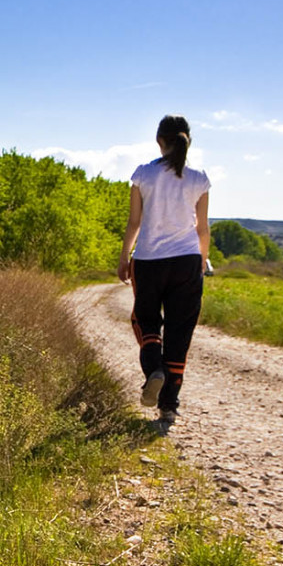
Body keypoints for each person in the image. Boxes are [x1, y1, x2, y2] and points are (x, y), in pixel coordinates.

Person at [116, 114, 210, 424]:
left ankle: (153, 369)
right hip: (186, 261)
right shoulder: (199, 179)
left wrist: (123, 257)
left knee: (146, 321)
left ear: (160, 141)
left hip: (148, 261)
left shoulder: (143, 175)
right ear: (187, 141)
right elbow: (202, 229)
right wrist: (202, 263)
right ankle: (169, 403)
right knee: (180, 332)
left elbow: (134, 222)